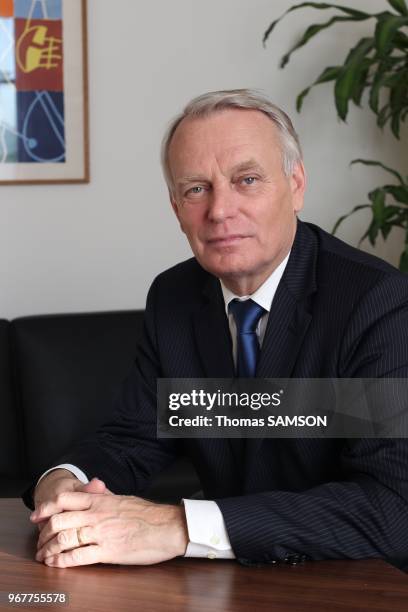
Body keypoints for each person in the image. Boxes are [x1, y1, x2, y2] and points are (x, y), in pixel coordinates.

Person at [26, 89, 408, 570]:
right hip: (227, 582)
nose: (220, 210)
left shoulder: (378, 302)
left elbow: (394, 508)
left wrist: (177, 527)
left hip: (353, 581)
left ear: (296, 184)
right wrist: (63, 484)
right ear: (175, 207)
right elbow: (137, 436)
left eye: (247, 179)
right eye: (196, 189)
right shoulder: (175, 296)